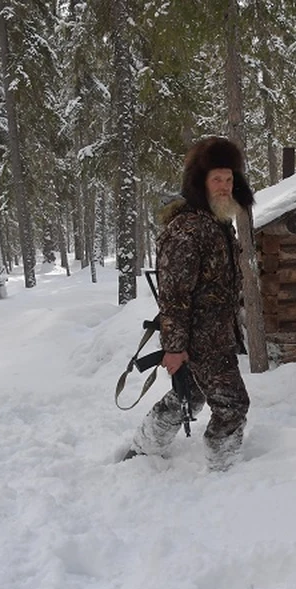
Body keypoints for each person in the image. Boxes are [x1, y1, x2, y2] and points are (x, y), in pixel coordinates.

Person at [121, 136, 252, 471]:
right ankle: (225, 469)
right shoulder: (188, 229)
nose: (224, 186)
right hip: (201, 339)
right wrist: (175, 348)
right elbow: (174, 297)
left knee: (189, 397)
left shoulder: (218, 223)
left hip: (217, 334)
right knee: (232, 405)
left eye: (229, 179)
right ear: (200, 182)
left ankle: (144, 449)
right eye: (216, 179)